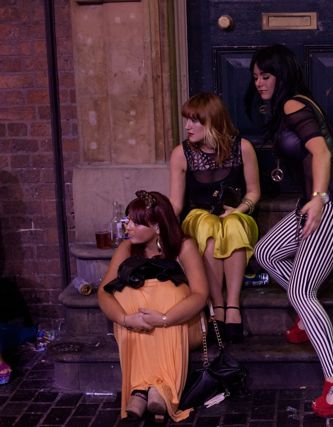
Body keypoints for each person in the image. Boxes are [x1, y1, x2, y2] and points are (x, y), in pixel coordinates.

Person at [245, 43, 333, 417]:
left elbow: (322, 153)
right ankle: (307, 318)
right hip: (325, 201)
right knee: (266, 252)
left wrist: (320, 197)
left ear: (282, 75)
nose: (259, 83)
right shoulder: (302, 106)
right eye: (255, 77)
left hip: (330, 205)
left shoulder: (294, 105)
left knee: (301, 290)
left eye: (266, 76)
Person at [97, 190, 208, 422]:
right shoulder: (126, 248)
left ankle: (160, 386)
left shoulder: (183, 247)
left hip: (178, 324)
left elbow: (200, 294)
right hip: (135, 325)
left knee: (169, 292)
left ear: (157, 226)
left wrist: (165, 318)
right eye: (128, 220)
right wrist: (125, 318)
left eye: (136, 223)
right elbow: (103, 293)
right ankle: (141, 388)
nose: (127, 227)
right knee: (126, 295)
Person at [169, 93, 260, 343]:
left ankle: (233, 305)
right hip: (198, 216)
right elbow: (176, 203)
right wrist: (159, 223)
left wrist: (239, 210)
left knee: (231, 225)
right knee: (208, 226)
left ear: (212, 121)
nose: (187, 126)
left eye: (193, 120)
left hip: (235, 214)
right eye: (186, 120)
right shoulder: (181, 154)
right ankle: (217, 306)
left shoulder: (243, 148)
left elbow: (254, 192)